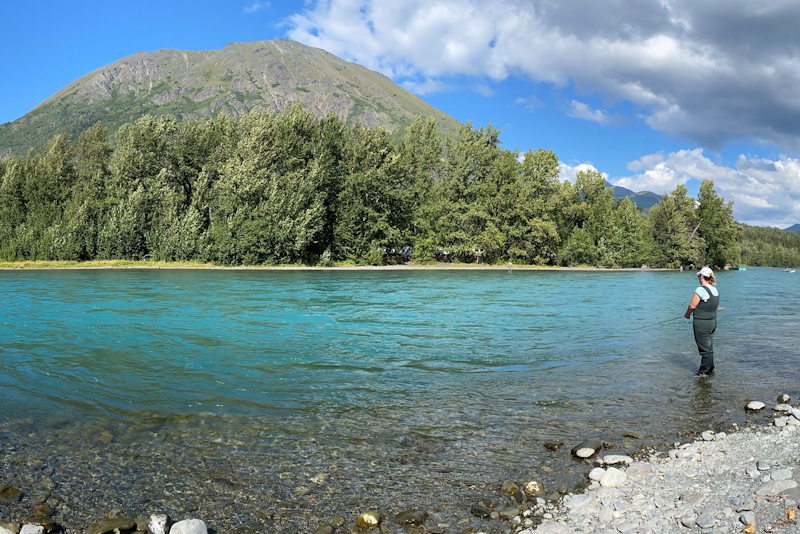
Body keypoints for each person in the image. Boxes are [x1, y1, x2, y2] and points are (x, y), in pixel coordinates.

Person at [684, 266, 719, 377]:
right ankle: (710, 368)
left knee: (704, 349)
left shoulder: (700, 290)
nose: (699, 278)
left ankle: (704, 372)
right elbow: (715, 306)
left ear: (702, 277)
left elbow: (692, 306)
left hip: (702, 323)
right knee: (709, 346)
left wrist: (687, 315)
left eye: (699, 276)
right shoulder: (714, 289)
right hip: (712, 322)